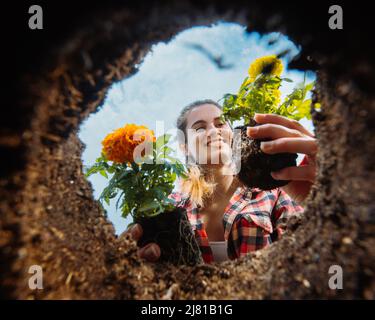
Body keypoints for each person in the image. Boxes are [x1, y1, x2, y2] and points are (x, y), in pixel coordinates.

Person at [124, 99, 317, 263]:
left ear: (234, 135)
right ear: (184, 148)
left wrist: (321, 198)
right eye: (200, 127)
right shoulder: (167, 207)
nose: (213, 131)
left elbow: (309, 258)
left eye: (220, 124)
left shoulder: (274, 192)